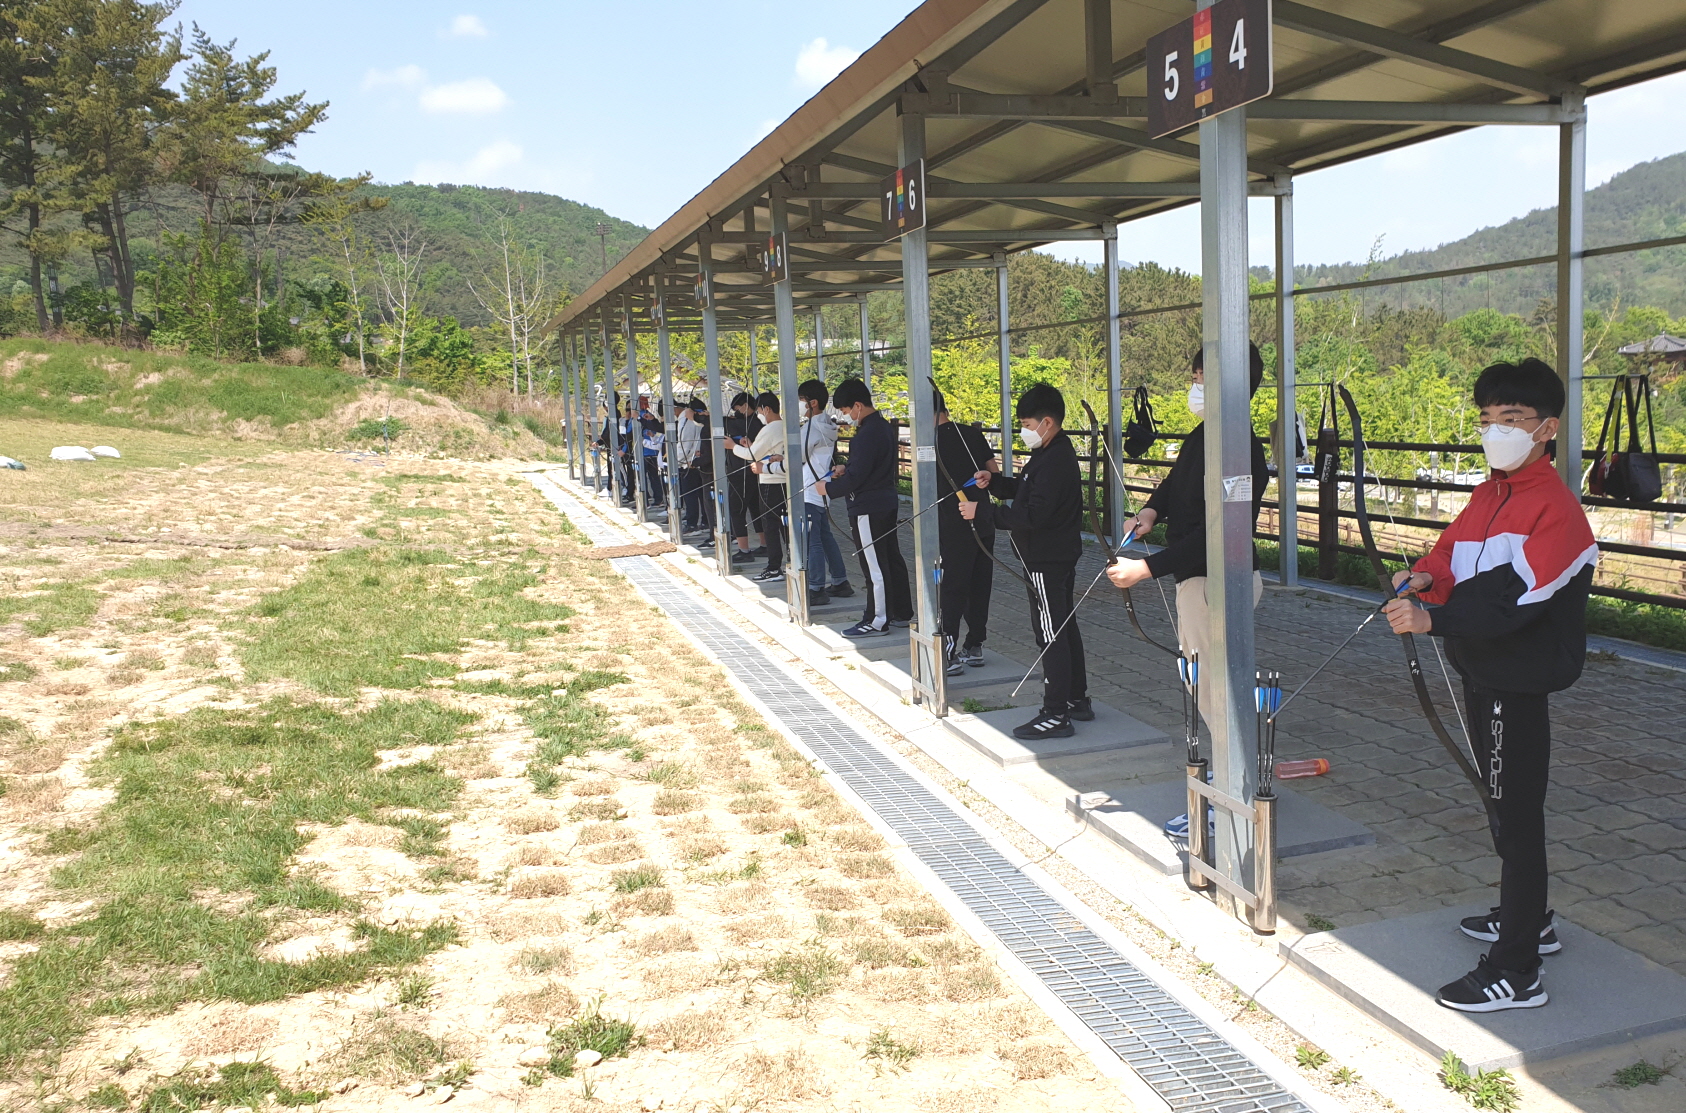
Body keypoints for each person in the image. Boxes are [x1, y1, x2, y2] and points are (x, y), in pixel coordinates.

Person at [1382, 358, 1596, 1013]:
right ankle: (1529, 917)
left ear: (1546, 428)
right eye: (1486, 419)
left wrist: (1431, 618)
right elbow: (1451, 558)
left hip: (1518, 679)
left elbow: (1512, 599)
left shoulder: (1557, 510)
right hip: (1483, 670)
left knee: (1516, 814)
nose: (1494, 431)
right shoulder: (1488, 494)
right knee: (1503, 803)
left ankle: (1518, 967)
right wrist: (1421, 578)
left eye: (1511, 419)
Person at [1105, 343, 1271, 726]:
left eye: (1199, 379)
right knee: (1201, 675)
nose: (1193, 387)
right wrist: (1151, 510)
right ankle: (1226, 766)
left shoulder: (1238, 446)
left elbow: (1217, 532)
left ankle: (1231, 772)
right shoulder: (1207, 433)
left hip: (1217, 578)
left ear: (1223, 384)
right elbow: (1176, 480)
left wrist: (1145, 569)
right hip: (1200, 576)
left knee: (1212, 681)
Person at [964, 383, 1087, 739]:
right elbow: (1027, 490)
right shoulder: (1049, 453)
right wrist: (997, 484)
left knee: (1050, 633)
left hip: (1046, 559)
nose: (1025, 430)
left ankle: (1055, 713)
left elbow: (1034, 514)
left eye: (1028, 423)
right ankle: (1076, 699)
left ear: (1047, 422)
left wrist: (982, 512)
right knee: (1062, 627)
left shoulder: (1056, 459)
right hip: (1052, 556)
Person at [819, 378, 911, 637]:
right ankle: (901, 612)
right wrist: (846, 469)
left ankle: (877, 619)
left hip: (868, 507)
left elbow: (858, 477)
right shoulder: (881, 427)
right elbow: (866, 468)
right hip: (885, 501)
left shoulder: (867, 433)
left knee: (875, 565)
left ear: (858, 405)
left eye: (847, 411)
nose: (846, 416)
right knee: (891, 558)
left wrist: (828, 489)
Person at [934, 390, 998, 675]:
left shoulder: (930, 441)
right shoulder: (970, 433)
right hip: (982, 516)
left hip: (955, 519)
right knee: (979, 581)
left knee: (953, 584)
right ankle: (975, 644)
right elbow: (993, 471)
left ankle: (948, 651)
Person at [796, 379, 853, 606]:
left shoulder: (811, 427)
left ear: (813, 403)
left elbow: (797, 455)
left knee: (813, 540)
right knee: (824, 536)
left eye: (801, 401)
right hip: (821, 487)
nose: (799, 405)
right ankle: (840, 581)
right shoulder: (827, 425)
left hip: (810, 487)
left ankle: (816, 588)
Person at [735, 391, 788, 582]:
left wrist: (731, 446)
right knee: (785, 526)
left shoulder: (770, 427)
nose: (758, 414)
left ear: (766, 409)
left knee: (771, 526)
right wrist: (750, 445)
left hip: (770, 482)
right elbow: (759, 451)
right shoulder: (785, 426)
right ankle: (792, 563)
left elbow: (752, 455)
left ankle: (774, 568)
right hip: (784, 482)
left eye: (758, 410)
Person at [724, 391, 765, 563]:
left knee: (736, 510)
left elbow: (727, 423)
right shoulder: (755, 424)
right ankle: (765, 545)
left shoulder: (749, 424)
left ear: (747, 406)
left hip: (741, 473)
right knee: (756, 509)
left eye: (738, 408)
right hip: (751, 474)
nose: (736, 412)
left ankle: (744, 549)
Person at [676, 397, 714, 542]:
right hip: (697, 461)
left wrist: (682, 460)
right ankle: (705, 522)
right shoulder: (698, 421)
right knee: (701, 496)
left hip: (692, 463)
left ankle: (693, 524)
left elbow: (685, 442)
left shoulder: (690, 421)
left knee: (692, 494)